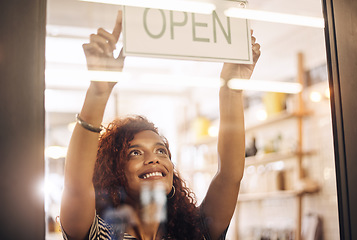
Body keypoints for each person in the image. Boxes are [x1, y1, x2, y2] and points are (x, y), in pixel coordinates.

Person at [60, 10, 261, 240]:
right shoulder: (100, 235)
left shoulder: (193, 232)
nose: (154, 158)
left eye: (161, 151)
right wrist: (97, 94)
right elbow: (76, 185)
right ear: (115, 172)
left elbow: (229, 175)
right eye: (135, 152)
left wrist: (231, 91)